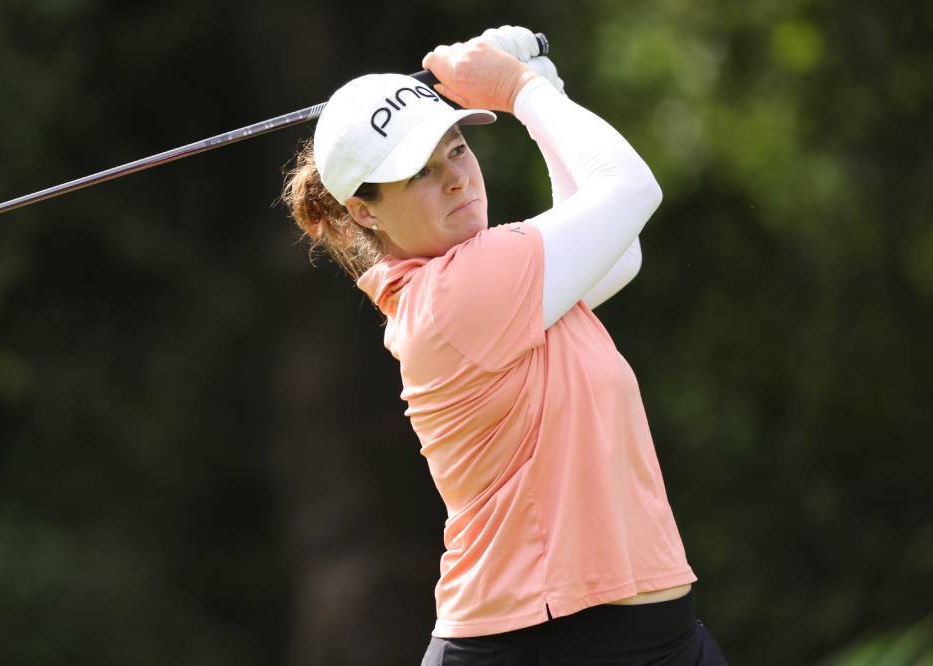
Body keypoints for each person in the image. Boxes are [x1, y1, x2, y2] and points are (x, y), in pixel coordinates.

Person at [281, 26, 727, 666]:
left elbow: (618, 249)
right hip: (536, 645)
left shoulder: (491, 286)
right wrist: (520, 90)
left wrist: (545, 89)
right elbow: (631, 190)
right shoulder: (460, 290)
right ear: (364, 211)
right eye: (421, 172)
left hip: (653, 641)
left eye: (458, 149)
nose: (457, 180)